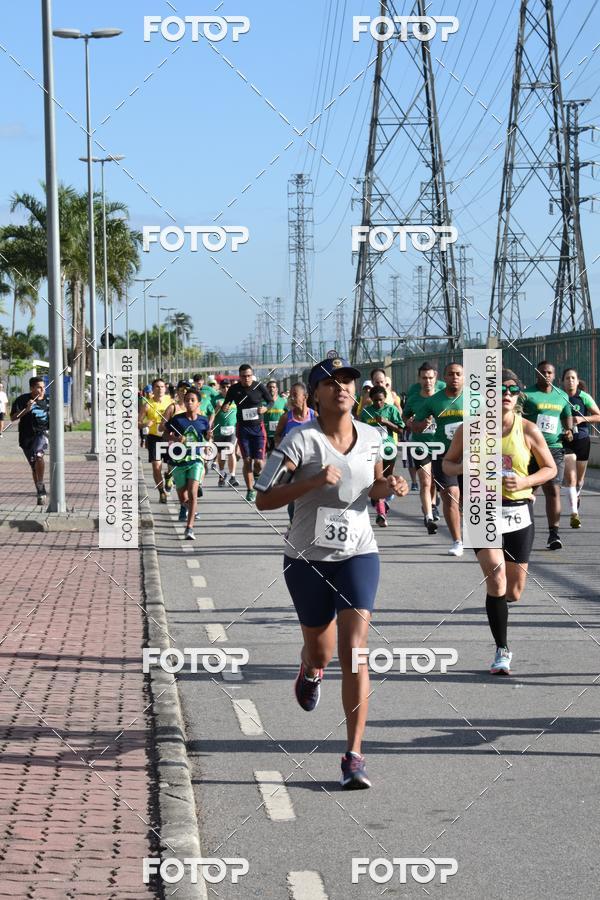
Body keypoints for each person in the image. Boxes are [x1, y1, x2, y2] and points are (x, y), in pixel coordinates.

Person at [256, 356, 409, 789]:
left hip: (359, 553)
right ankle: (309, 669)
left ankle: (354, 755)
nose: (343, 387)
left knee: (355, 650)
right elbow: (262, 498)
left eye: (348, 381)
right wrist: (313, 482)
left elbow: (373, 485)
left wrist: (390, 488)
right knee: (322, 653)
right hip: (306, 560)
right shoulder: (298, 441)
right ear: (316, 393)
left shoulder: (375, 437)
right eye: (332, 382)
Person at [443, 369, 556, 675]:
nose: (505, 394)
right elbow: (447, 463)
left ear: (518, 397)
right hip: (483, 509)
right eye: (499, 389)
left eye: (512, 389)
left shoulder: (529, 430)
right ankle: (502, 649)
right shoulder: (468, 431)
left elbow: (550, 469)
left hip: (519, 511)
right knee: (496, 577)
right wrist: (465, 465)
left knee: (514, 590)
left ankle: (499, 606)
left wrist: (525, 481)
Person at [413, 362, 464, 556]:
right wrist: (421, 424)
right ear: (445, 377)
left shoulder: (476, 398)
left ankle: (465, 527)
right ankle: (457, 541)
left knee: (467, 500)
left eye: (458, 374)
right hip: (444, 455)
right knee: (450, 496)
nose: (455, 377)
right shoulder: (434, 401)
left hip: (471, 456)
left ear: (464, 377)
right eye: (450, 374)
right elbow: (415, 426)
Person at [522, 361, 573, 549]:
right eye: (543, 372)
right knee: (527, 491)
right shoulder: (526, 395)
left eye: (549, 372)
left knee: (553, 490)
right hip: (530, 449)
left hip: (554, 448)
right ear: (537, 373)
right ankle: (523, 530)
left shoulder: (561, 395)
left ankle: (554, 534)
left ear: (554, 374)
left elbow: (566, 415)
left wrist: (569, 430)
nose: (546, 375)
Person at [163, 388, 210, 540]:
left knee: (192, 492)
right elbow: (164, 434)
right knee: (183, 498)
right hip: (178, 461)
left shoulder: (203, 420)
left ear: (198, 404)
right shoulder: (177, 419)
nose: (189, 403)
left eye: (192, 400)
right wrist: (176, 440)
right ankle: (190, 508)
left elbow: (207, 437)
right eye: (187, 400)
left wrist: (209, 442)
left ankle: (189, 528)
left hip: (196, 459)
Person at [221, 364, 271, 502]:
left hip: (258, 428)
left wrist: (265, 408)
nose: (246, 379)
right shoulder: (234, 389)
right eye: (243, 376)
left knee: (259, 463)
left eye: (249, 376)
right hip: (243, 429)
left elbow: (270, 401)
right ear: (239, 377)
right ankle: (250, 490)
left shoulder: (259, 386)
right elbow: (227, 404)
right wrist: (225, 408)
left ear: (252, 375)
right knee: (247, 460)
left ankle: (256, 474)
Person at [273, 381, 317, 532]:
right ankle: (293, 524)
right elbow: (277, 436)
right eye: (290, 395)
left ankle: (309, 525)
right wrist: (280, 446)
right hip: (290, 463)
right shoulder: (286, 418)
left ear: (305, 397)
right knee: (292, 497)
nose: (291, 398)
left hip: (310, 463)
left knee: (310, 496)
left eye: (295, 395)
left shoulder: (314, 416)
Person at [403, 362, 440, 533]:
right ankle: (429, 517)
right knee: (425, 481)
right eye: (424, 378)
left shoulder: (442, 397)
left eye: (430, 378)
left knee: (434, 482)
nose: (427, 381)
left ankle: (432, 504)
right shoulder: (413, 399)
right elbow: (405, 417)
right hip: (420, 445)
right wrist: (409, 422)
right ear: (419, 379)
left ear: (435, 378)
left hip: (441, 445)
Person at [360, 385, 404, 527]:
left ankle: (384, 501)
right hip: (371, 451)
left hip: (389, 450)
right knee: (377, 480)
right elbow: (360, 431)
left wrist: (386, 422)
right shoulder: (366, 412)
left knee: (388, 481)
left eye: (381, 400)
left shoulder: (391, 410)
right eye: (375, 401)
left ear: (385, 398)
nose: (378, 403)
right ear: (371, 399)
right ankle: (381, 513)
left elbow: (401, 430)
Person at [560, 368, 600, 528]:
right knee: (571, 478)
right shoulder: (558, 396)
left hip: (582, 439)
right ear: (562, 381)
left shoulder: (583, 397)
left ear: (577, 381)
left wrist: (581, 418)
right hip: (564, 441)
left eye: (573, 378)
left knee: (579, 480)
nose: (570, 380)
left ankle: (577, 495)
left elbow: (598, 416)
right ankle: (574, 513)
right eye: (567, 378)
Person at [10, 376, 50, 505]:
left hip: (42, 434)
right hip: (26, 437)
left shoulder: (49, 400)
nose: (42, 390)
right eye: (39, 387)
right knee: (34, 466)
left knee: (39, 455)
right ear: (32, 388)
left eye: (43, 387)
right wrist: (26, 410)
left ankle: (40, 484)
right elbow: (13, 417)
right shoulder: (22, 399)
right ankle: (40, 488)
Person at [138, 378, 172, 503]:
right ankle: (162, 492)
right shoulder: (147, 404)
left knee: (172, 465)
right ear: (153, 389)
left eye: (162, 386)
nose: (160, 389)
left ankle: (169, 476)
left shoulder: (171, 402)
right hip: (154, 438)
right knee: (156, 467)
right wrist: (145, 424)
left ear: (165, 388)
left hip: (169, 437)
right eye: (157, 387)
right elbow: (137, 423)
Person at [211, 381, 240, 487]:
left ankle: (232, 476)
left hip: (232, 430)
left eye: (228, 387)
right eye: (223, 387)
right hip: (219, 431)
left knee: (231, 451)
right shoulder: (215, 399)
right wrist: (218, 407)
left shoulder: (235, 399)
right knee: (221, 454)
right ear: (220, 388)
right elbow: (211, 415)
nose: (226, 389)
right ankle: (222, 474)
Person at [263, 380, 287, 452]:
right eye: (270, 387)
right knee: (269, 458)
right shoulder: (262, 402)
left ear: (277, 389)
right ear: (266, 389)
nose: (271, 389)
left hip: (280, 435)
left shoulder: (283, 401)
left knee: (279, 457)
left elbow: (289, 415)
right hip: (267, 434)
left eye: (273, 387)